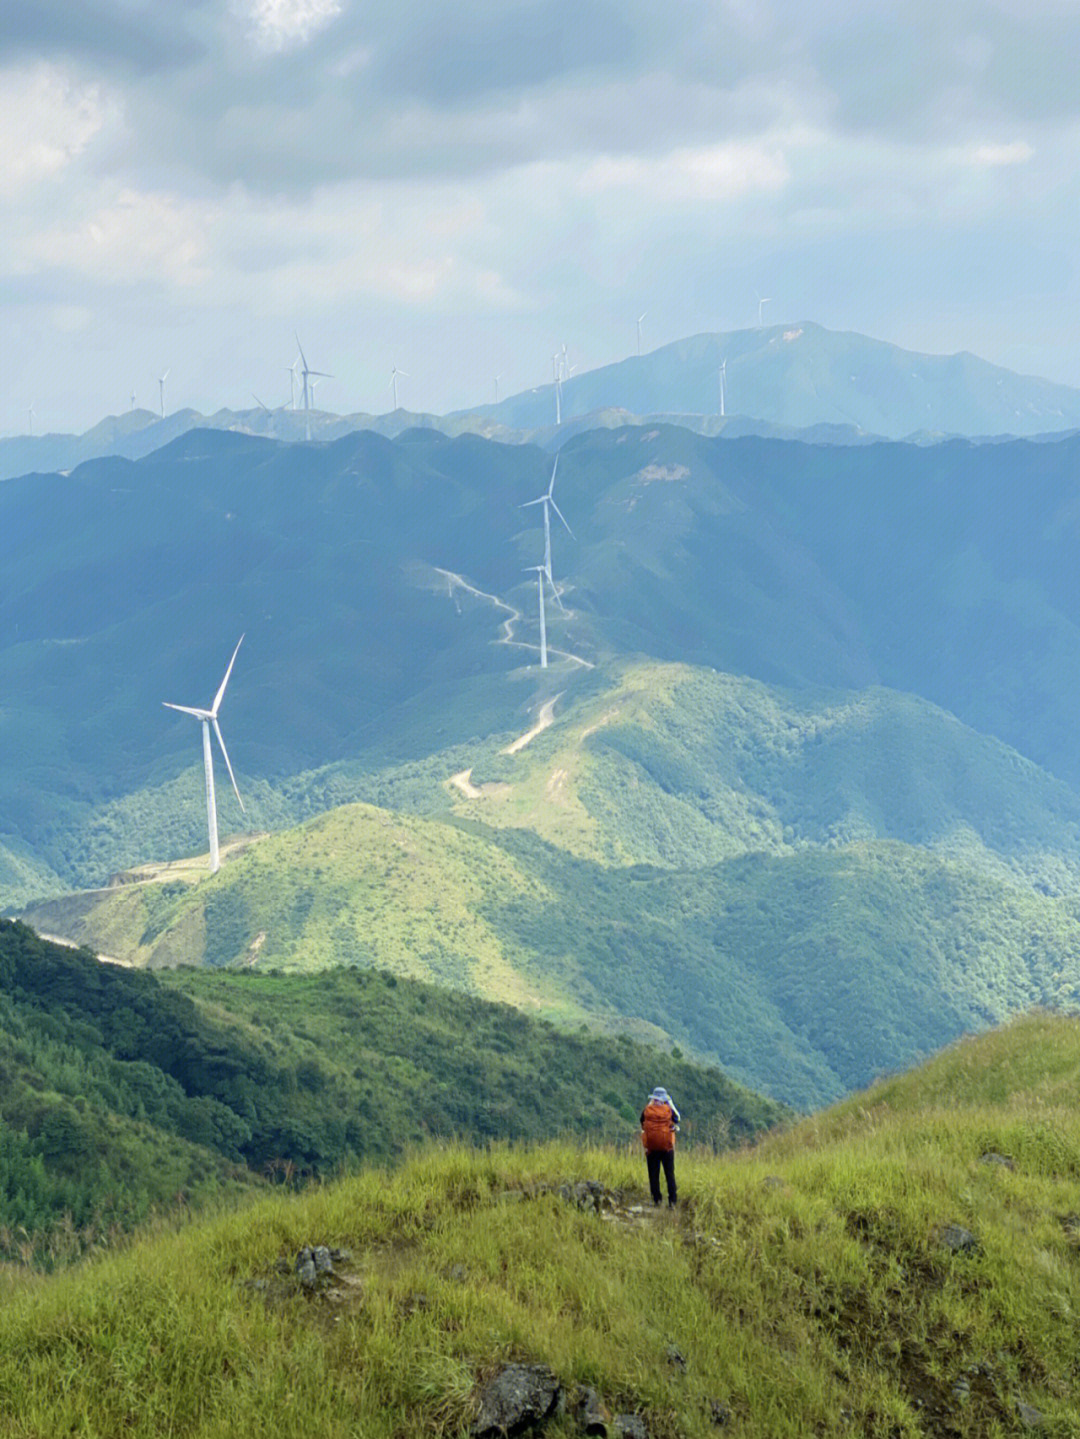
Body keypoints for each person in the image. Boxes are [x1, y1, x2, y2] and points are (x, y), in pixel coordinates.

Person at [640, 1085, 680, 1207]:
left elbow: (642, 1121)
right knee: (669, 1174)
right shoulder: (668, 1110)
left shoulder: (647, 1110)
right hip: (667, 1147)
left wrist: (649, 1104)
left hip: (651, 1147)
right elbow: (677, 1119)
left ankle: (657, 1200)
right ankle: (672, 1201)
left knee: (653, 1174)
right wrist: (670, 1103)